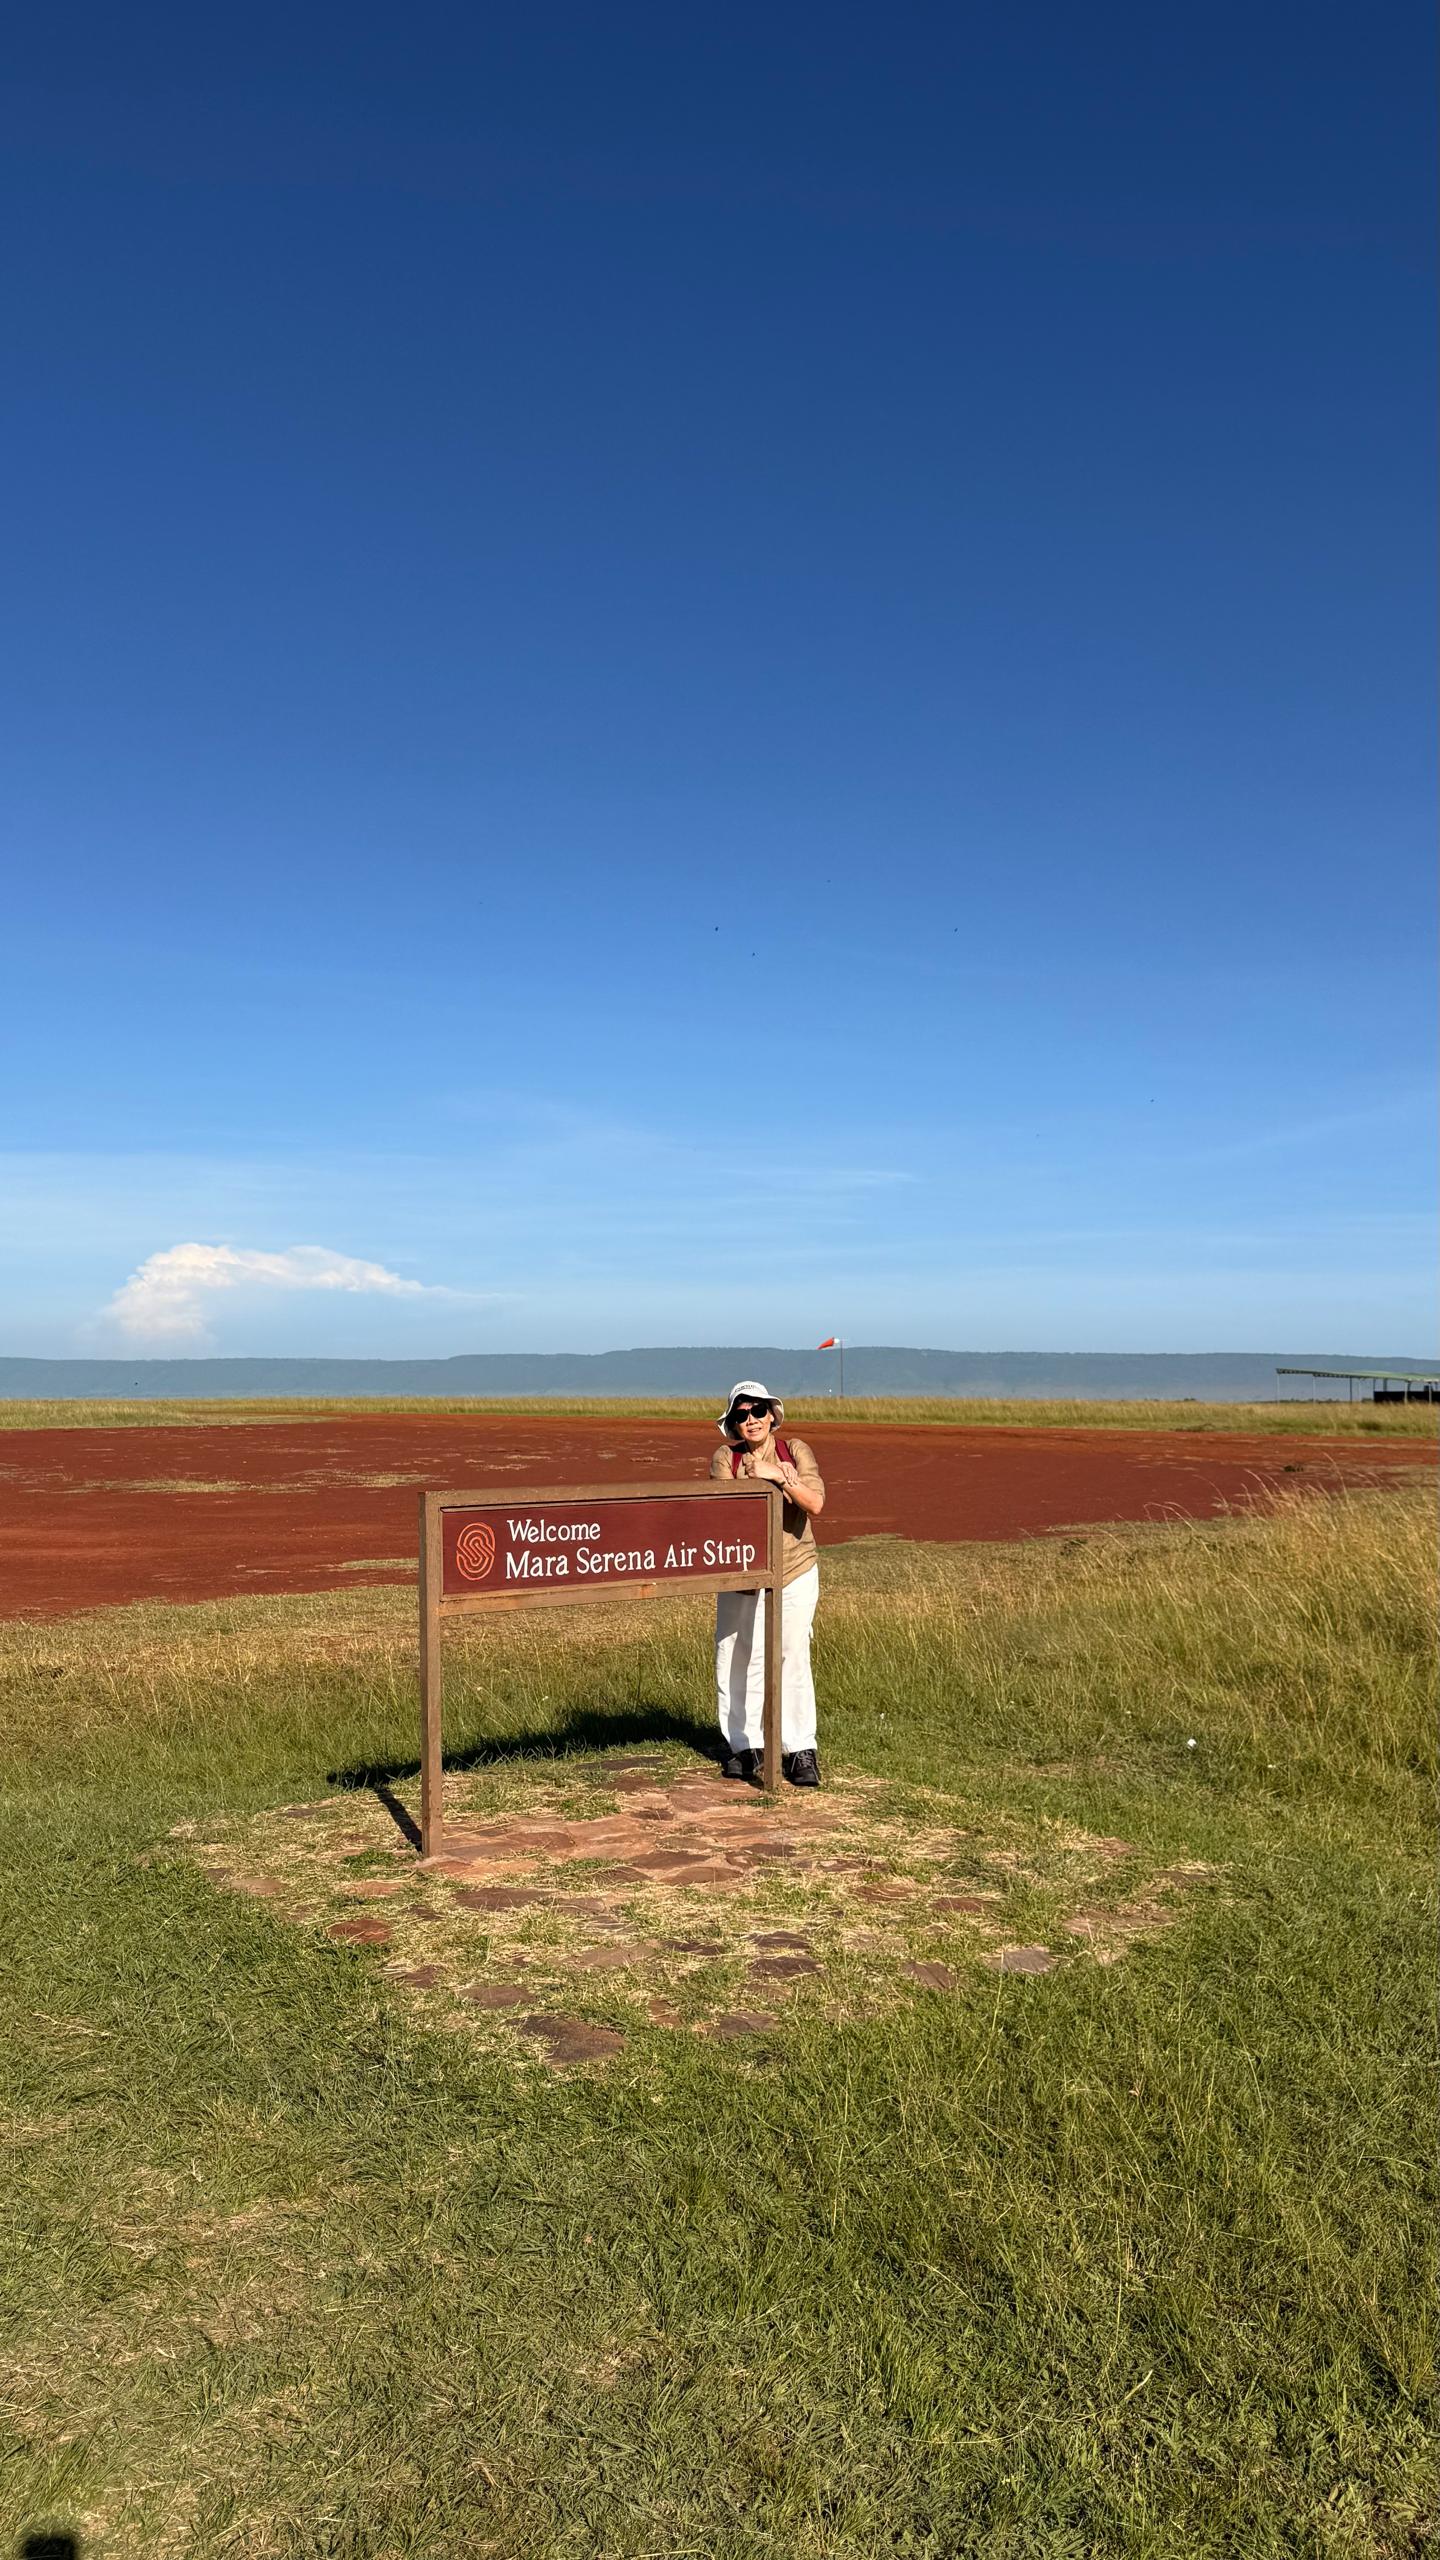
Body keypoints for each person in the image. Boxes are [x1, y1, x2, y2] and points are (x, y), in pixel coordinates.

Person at [709, 1379, 825, 1786]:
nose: (751, 1419)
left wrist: (778, 1473)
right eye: (741, 1414)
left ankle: (799, 1749)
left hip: (794, 1567)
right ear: (733, 1424)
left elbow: (816, 1502)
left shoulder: (795, 1451)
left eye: (758, 1410)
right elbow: (727, 1509)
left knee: (793, 1655)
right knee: (738, 1654)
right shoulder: (725, 1457)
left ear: (772, 1415)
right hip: (740, 1570)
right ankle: (744, 1745)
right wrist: (766, 1479)